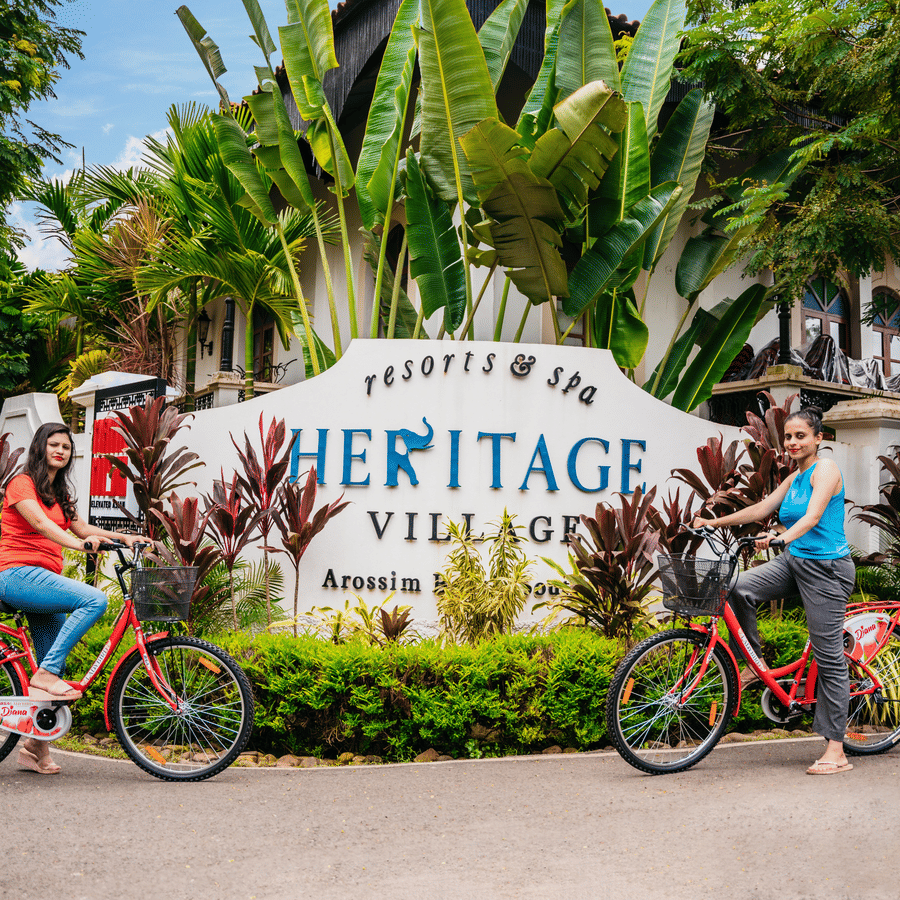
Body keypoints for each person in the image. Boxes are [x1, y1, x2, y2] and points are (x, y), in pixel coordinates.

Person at [693, 406, 855, 776]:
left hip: (827, 569)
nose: (793, 442)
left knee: (828, 654)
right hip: (794, 563)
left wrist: (780, 538)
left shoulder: (825, 470)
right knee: (735, 588)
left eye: (801, 436)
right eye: (789, 437)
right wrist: (711, 521)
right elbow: (761, 508)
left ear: (819, 438)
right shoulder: (794, 477)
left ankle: (836, 749)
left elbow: (813, 516)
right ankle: (755, 665)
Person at [0, 422, 141, 775]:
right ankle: (45, 675)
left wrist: (125, 538)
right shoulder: (22, 484)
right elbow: (44, 526)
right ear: (40, 448)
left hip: (43, 581)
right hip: (14, 573)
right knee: (94, 600)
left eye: (66, 447)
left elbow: (84, 528)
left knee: (53, 660)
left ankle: (34, 748)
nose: (60, 451)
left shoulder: (59, 493)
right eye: (54, 444)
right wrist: (79, 546)